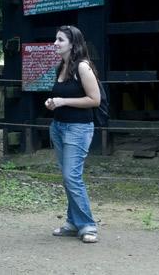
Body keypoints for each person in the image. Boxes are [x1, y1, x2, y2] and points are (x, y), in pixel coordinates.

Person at [44, 25, 100, 244]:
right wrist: (52, 103)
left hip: (78, 129)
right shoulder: (62, 66)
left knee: (71, 177)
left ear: (72, 44)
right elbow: (61, 96)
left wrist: (63, 101)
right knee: (68, 178)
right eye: (55, 39)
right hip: (58, 127)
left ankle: (88, 226)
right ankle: (72, 222)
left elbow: (94, 100)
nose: (55, 43)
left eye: (60, 40)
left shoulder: (83, 67)